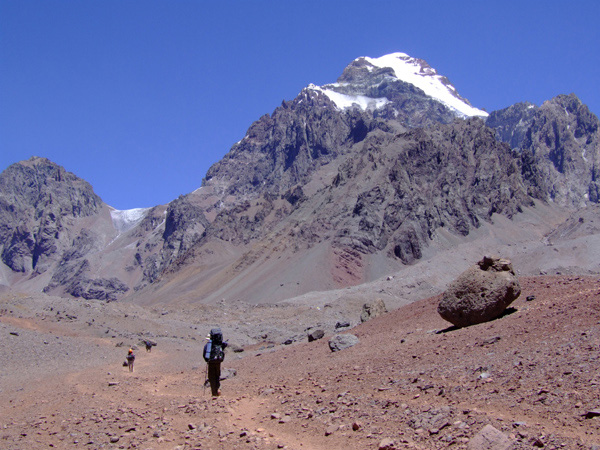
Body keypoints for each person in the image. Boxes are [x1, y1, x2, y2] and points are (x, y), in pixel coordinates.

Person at [203, 328, 227, 397]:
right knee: (217, 376)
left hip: (211, 362)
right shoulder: (220, 344)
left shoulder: (209, 344)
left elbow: (205, 354)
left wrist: (207, 360)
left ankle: (214, 393)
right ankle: (218, 389)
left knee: (211, 377)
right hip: (218, 362)